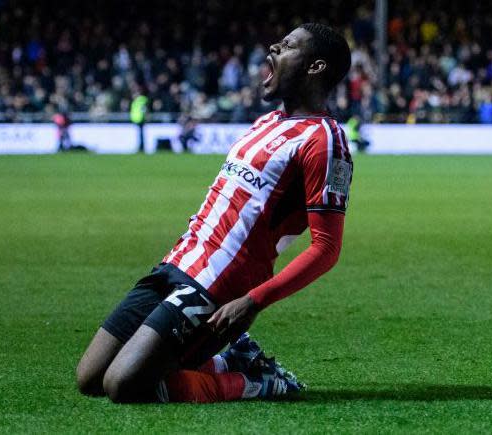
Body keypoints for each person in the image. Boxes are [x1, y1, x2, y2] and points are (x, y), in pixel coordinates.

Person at [76, 23, 353, 404]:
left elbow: (326, 248)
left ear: (315, 67)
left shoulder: (325, 140)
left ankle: (257, 382)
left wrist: (253, 299)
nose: (274, 46)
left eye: (288, 45)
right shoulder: (267, 122)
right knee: (90, 378)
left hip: (218, 285)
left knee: (124, 385)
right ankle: (231, 360)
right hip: (177, 263)